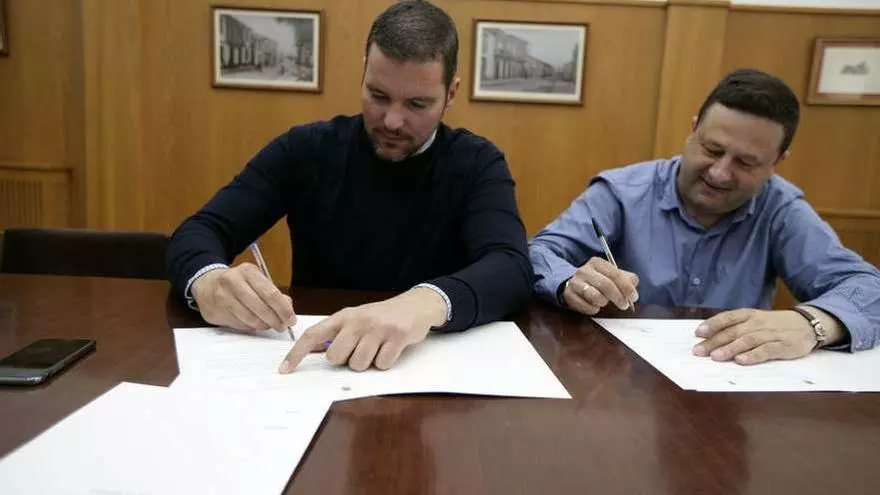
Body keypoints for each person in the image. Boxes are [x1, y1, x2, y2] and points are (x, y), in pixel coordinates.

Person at [167, 0, 532, 373]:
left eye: (417, 104)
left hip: (425, 368)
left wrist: (423, 304)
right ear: (363, 73)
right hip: (318, 365)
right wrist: (208, 282)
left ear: (451, 93)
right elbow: (199, 231)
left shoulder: (477, 163)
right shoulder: (305, 149)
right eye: (378, 96)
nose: (392, 121)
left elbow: (511, 267)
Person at [529, 68, 879, 365]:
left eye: (746, 163)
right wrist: (570, 282)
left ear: (777, 162)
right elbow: (538, 253)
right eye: (712, 149)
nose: (720, 173)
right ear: (693, 130)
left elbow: (868, 288)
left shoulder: (780, 210)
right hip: (621, 376)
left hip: (729, 379)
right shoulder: (621, 192)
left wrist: (812, 324)